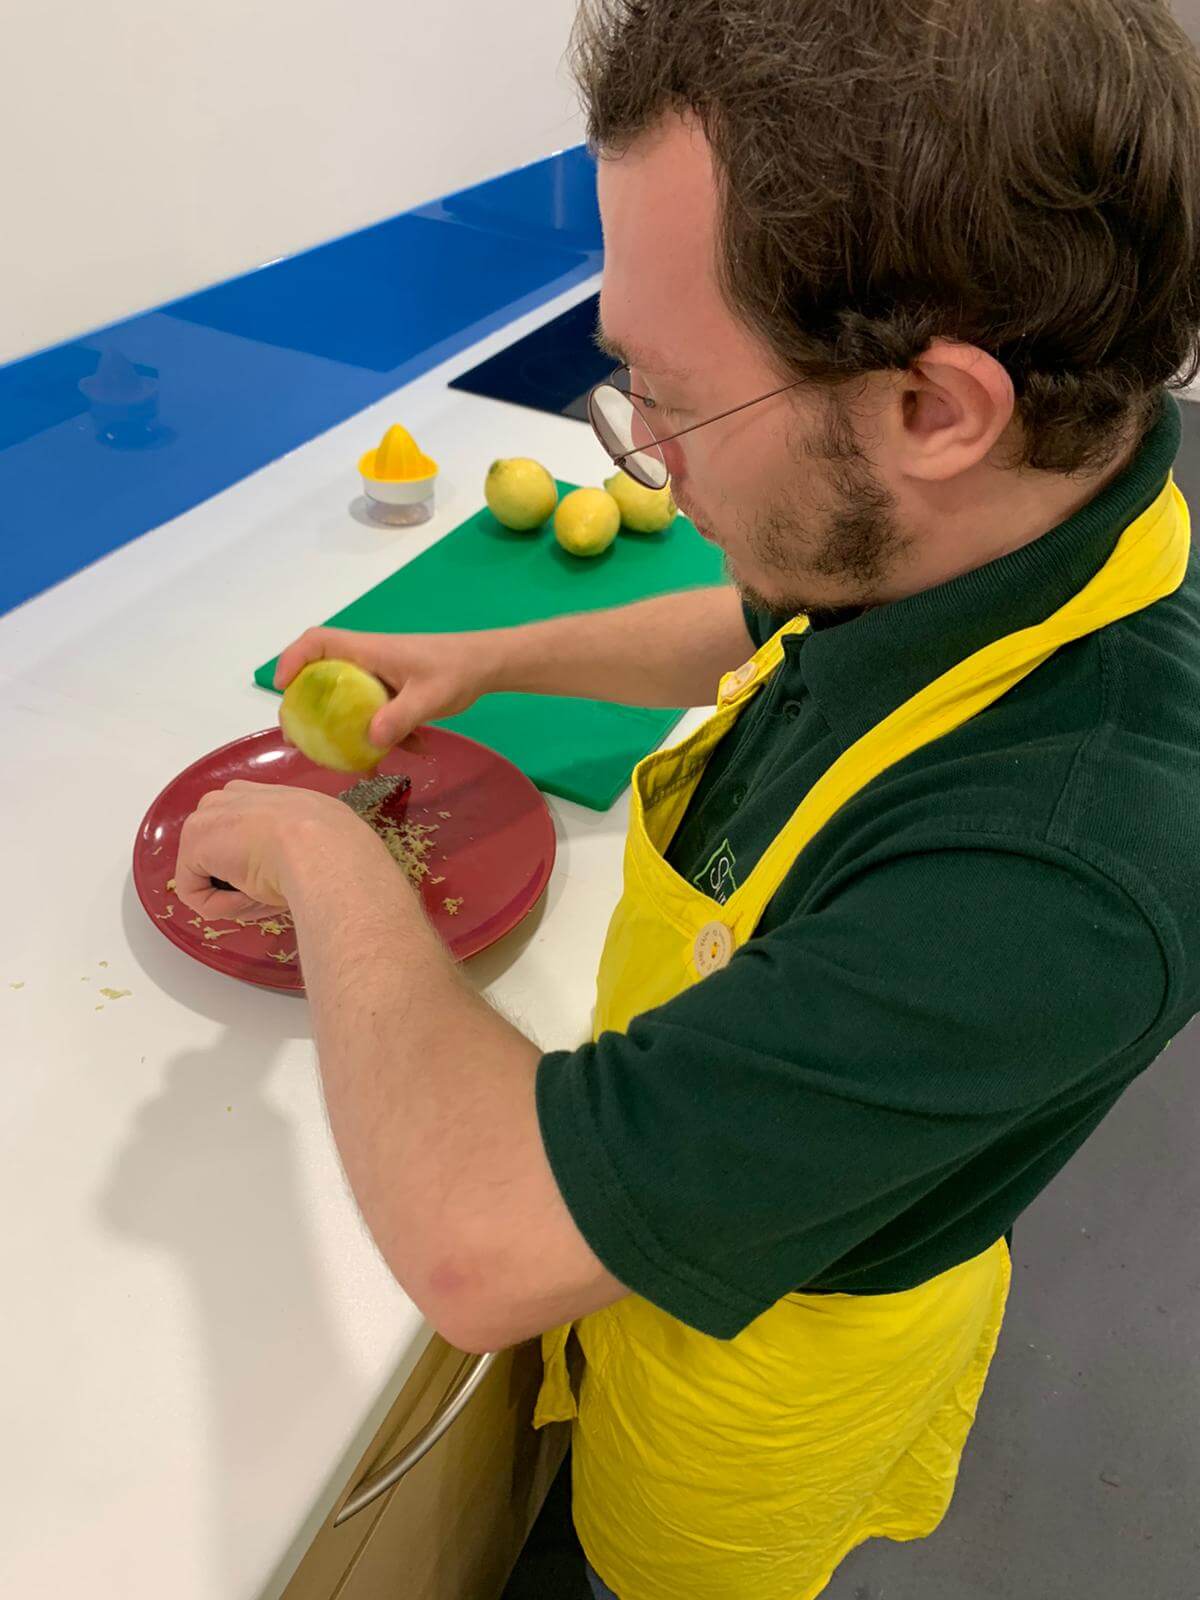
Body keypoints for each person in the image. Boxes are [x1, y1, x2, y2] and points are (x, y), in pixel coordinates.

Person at [176, 2, 1200, 1595]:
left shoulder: (1064, 872)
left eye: (671, 397)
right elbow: (780, 613)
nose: (641, 452)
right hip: (683, 1242)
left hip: (754, 1404)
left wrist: (327, 853)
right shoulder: (1013, 520)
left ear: (935, 411)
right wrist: (489, 659)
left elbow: (482, 1242)